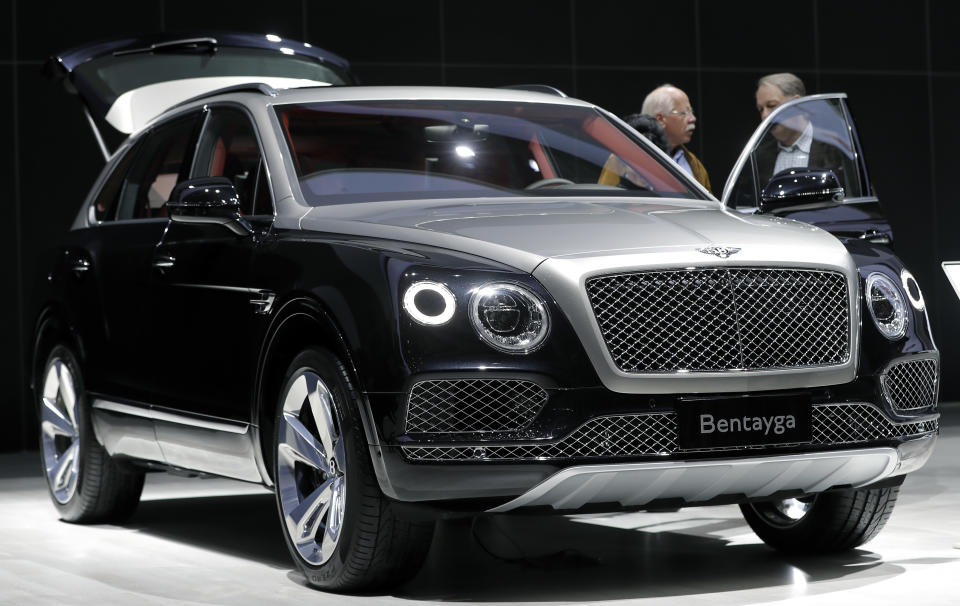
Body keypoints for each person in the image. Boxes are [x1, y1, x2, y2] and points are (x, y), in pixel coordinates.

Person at [751, 73, 845, 185]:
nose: (765, 115)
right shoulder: (758, 157)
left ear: (797, 104)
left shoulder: (835, 147)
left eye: (771, 105)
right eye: (761, 109)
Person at [641, 84, 711, 193]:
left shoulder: (694, 164)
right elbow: (612, 206)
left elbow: (708, 207)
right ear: (660, 119)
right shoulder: (624, 159)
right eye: (684, 113)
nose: (693, 118)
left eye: (691, 112)